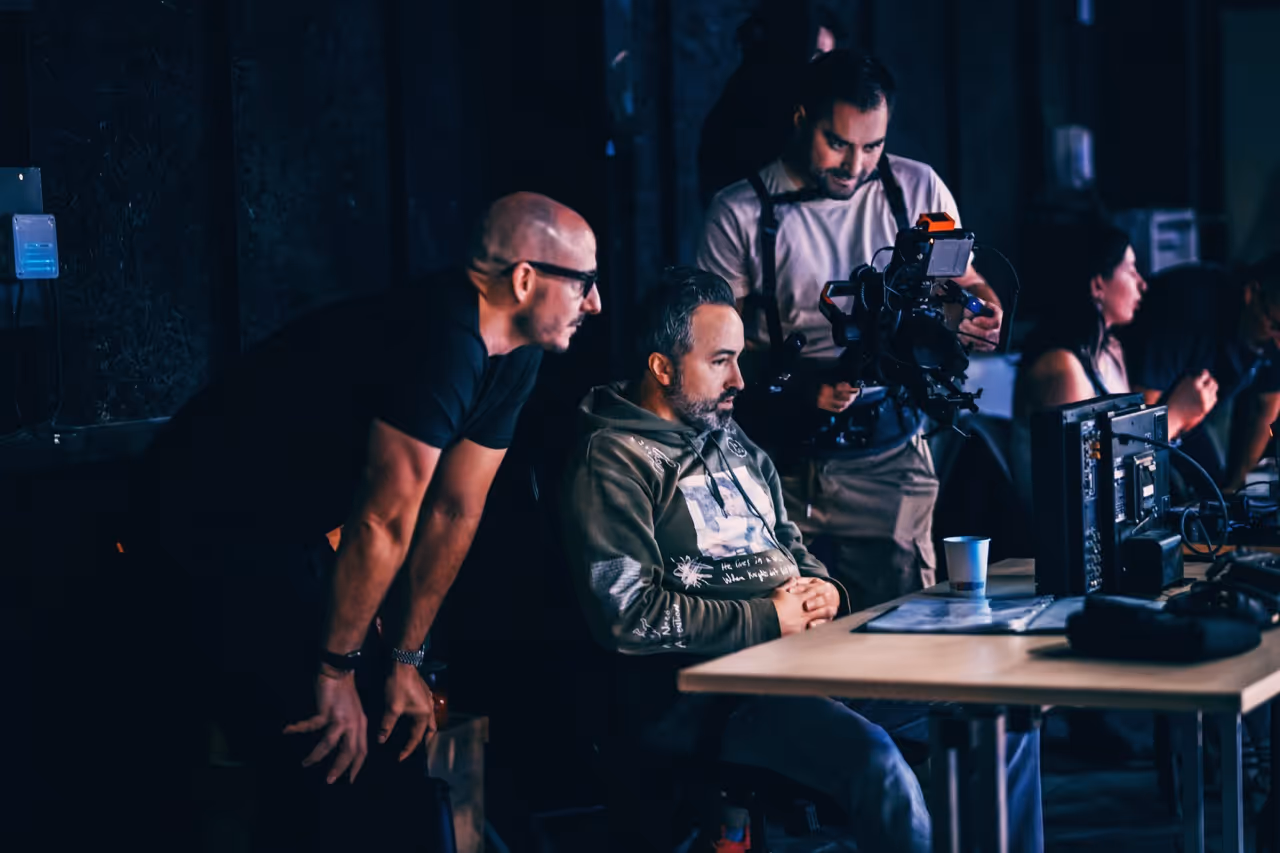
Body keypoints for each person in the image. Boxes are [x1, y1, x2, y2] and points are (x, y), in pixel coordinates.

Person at [122, 192, 601, 850]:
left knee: (386, 729)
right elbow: (383, 521)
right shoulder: (441, 337)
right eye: (584, 282)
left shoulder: (518, 351)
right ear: (524, 280)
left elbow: (455, 508)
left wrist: (406, 657)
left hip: (290, 532)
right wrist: (333, 672)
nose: (595, 303)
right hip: (198, 523)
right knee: (334, 746)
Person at [559, 267, 1041, 853]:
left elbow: (791, 545)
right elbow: (627, 615)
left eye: (739, 359)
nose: (740, 380)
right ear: (662, 368)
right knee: (875, 762)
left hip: (800, 662)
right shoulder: (610, 459)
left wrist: (826, 589)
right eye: (720, 362)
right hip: (709, 694)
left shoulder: (731, 438)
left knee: (997, 711)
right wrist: (770, 618)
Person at [696, 49, 1003, 611]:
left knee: (906, 624)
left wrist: (978, 310)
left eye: (872, 146)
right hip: (775, 463)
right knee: (780, 625)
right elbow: (708, 350)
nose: (855, 164)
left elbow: (963, 283)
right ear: (801, 118)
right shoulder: (738, 213)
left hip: (890, 454)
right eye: (837, 143)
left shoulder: (916, 190)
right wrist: (797, 387)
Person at [1010, 222, 1154, 509]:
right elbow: (1084, 481)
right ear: (1098, 284)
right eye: (1130, 270)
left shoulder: (1111, 350)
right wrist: (1177, 419)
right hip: (1062, 525)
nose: (1142, 284)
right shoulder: (1061, 367)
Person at [1119, 251, 1280, 495]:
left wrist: (1236, 489)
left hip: (1187, 418)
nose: (1279, 343)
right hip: (1140, 410)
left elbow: (1265, 406)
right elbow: (1139, 422)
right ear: (1251, 293)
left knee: (1215, 495)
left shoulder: (1271, 329)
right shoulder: (1188, 307)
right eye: (1275, 326)